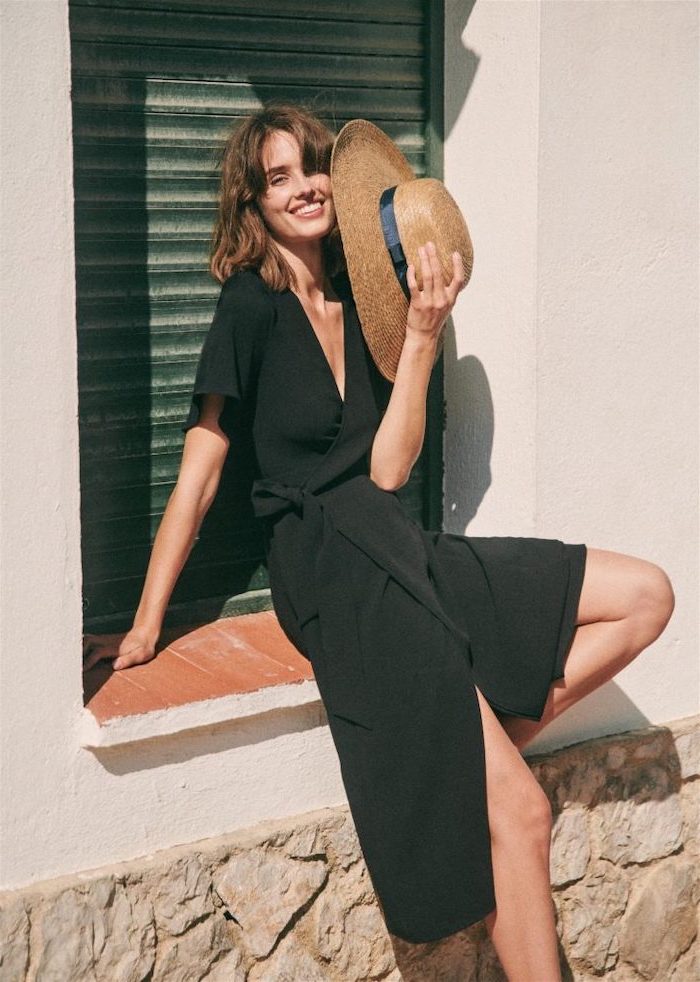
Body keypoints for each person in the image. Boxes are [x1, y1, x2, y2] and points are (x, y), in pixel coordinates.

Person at [84, 102, 675, 978]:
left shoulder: (367, 301)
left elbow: (391, 467)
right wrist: (144, 627)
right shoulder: (247, 307)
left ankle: (452, 750)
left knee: (646, 596)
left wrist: (426, 337)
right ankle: (464, 764)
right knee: (518, 813)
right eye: (277, 176)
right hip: (329, 569)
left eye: (311, 167)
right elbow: (202, 471)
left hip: (397, 539)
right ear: (253, 204)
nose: (302, 186)